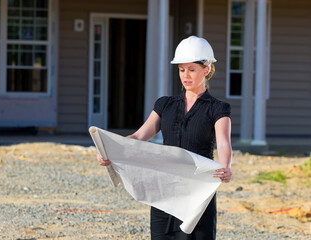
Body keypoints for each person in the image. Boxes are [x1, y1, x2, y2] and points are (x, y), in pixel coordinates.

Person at [97, 36, 232, 240]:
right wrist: (110, 149)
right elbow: (140, 136)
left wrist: (225, 166)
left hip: (198, 192)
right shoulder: (165, 104)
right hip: (164, 190)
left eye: (191, 69)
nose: (185, 75)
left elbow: (223, 143)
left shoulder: (218, 108)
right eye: (181, 69)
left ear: (206, 70)